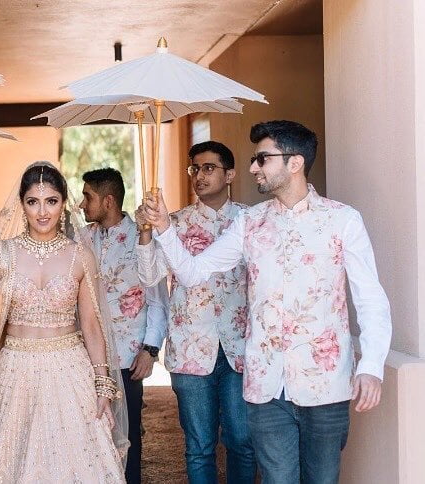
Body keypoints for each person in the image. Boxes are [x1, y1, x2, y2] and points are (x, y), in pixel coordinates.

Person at [139, 121, 392, 484]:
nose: (253, 167)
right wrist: (164, 227)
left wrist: (372, 366)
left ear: (294, 163)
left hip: (325, 382)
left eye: (262, 158)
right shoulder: (249, 222)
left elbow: (370, 299)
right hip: (265, 385)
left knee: (322, 479)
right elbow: (195, 272)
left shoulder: (343, 220)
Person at [0, 162, 128, 483]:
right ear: (21, 204)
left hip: (69, 368)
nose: (42, 211)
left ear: (63, 203)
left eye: (51, 201)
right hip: (14, 369)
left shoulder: (79, 255)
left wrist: (102, 385)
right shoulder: (2, 252)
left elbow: (92, 326)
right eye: (33, 202)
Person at [136, 142, 256, 484]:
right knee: (199, 446)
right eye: (194, 169)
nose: (198, 176)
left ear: (229, 174)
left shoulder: (252, 221)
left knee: (242, 442)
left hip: (241, 349)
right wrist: (146, 230)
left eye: (208, 168)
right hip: (190, 349)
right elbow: (148, 277)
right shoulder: (173, 223)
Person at [80, 167, 167, 484]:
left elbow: (158, 298)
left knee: (127, 437)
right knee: (88, 432)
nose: (81, 204)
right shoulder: (81, 237)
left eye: (87, 197)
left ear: (108, 200)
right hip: (84, 357)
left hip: (128, 357)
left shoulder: (142, 237)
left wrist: (150, 349)